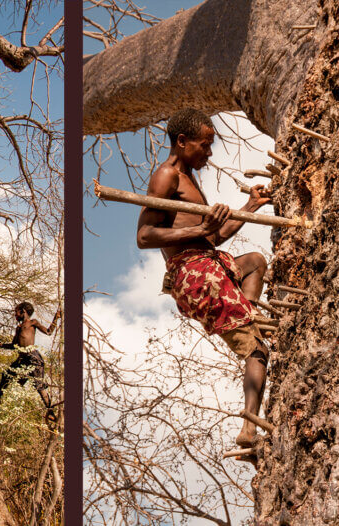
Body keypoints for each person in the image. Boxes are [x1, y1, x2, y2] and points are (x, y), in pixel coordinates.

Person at [136, 108, 271, 449]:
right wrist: (201, 228)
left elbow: (212, 238)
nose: (209, 153)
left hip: (210, 264)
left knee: (255, 262)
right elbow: (144, 236)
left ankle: (248, 314)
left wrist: (250, 206)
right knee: (257, 351)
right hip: (195, 274)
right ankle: (249, 428)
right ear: (181, 142)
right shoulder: (166, 176)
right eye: (204, 145)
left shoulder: (189, 180)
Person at [0, 302, 59, 420]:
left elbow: (49, 331)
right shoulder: (18, 328)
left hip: (33, 358)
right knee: (6, 375)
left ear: (23, 311)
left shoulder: (33, 323)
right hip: (22, 359)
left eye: (16, 312)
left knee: (40, 386)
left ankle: (50, 411)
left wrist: (56, 318)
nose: (15, 315)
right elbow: (13, 345)